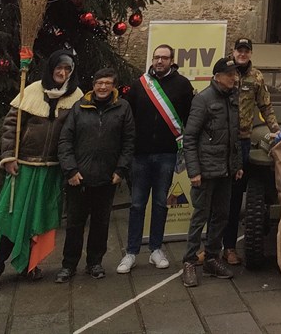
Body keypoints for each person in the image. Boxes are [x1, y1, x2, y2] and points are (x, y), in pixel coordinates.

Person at [0, 50, 82, 292]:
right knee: (10, 218)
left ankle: (30, 264)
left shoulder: (77, 96)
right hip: (24, 167)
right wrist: (8, 157)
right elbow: (10, 126)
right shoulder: (32, 90)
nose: (62, 73)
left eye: (67, 69)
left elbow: (78, 132)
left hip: (52, 170)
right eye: (59, 67)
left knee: (40, 219)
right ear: (51, 68)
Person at [117, 43, 194, 273]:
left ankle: (156, 249)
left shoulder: (182, 85)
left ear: (172, 60)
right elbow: (128, 117)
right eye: (156, 57)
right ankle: (131, 252)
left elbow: (189, 117)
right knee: (137, 204)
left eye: (164, 58)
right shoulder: (139, 85)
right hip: (140, 154)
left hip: (167, 154)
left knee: (161, 203)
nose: (159, 61)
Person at [56, 66, 135, 281]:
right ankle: (68, 265)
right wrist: (70, 170)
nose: (103, 87)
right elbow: (65, 141)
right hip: (79, 178)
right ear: (93, 85)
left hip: (107, 178)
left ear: (113, 87)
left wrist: (121, 170)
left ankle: (95, 263)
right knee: (74, 225)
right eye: (99, 83)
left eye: (107, 83)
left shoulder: (123, 108)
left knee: (101, 224)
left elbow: (128, 143)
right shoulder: (79, 107)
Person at [181, 58, 243, 287]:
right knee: (200, 217)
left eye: (235, 74)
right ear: (217, 76)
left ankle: (211, 258)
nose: (234, 78)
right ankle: (189, 262)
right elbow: (190, 137)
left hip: (225, 171)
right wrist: (194, 171)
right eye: (229, 74)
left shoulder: (232, 99)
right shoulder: (203, 99)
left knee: (221, 216)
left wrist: (236, 165)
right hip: (205, 171)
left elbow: (234, 137)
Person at [221, 37, 279, 265]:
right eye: (239, 50)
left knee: (236, 195)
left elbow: (265, 104)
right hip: (222, 139)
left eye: (246, 51)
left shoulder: (256, 77)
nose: (242, 54)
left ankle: (229, 247)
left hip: (243, 140)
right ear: (233, 52)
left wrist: (275, 130)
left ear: (250, 53)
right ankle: (210, 246)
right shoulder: (224, 72)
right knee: (215, 195)